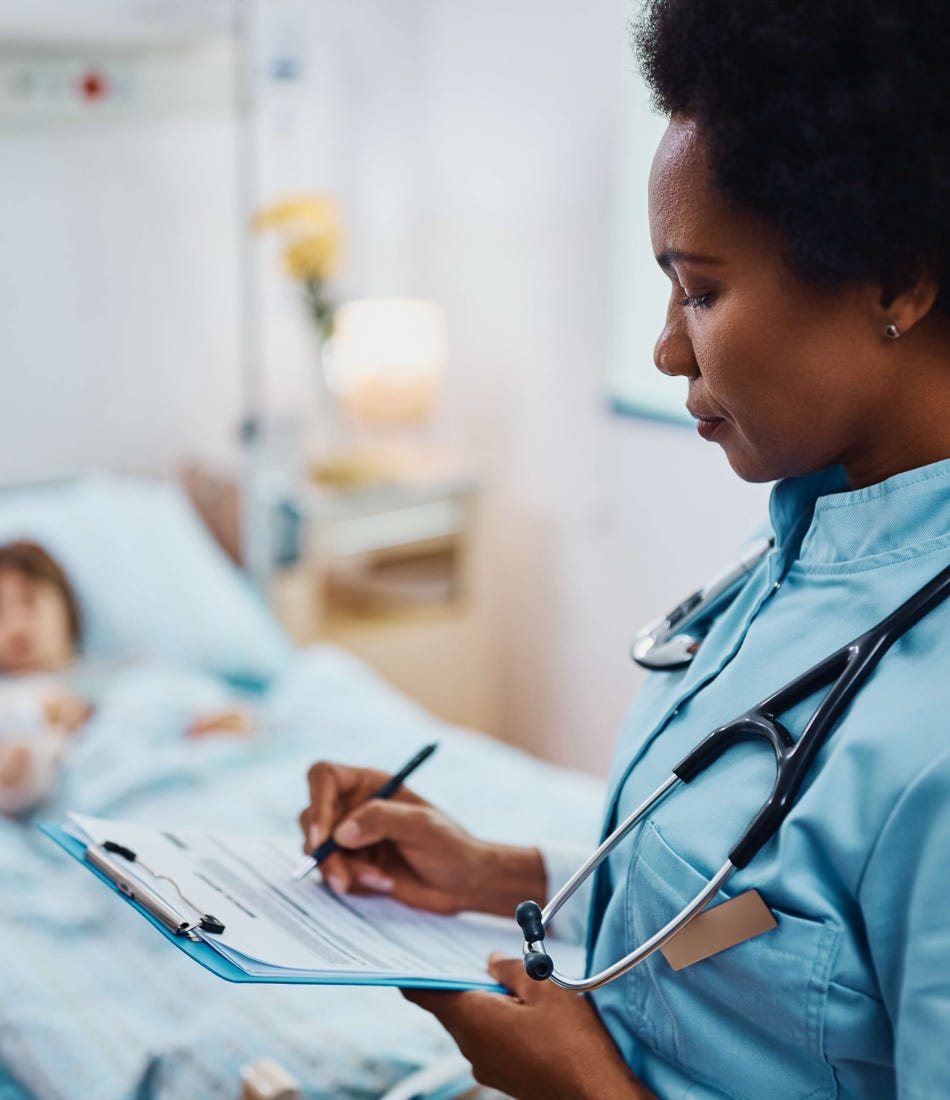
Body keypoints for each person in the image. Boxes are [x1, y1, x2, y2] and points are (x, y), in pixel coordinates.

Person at [297, 3, 950, 1097]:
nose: (659, 345)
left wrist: (590, 1092)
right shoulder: (801, 546)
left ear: (894, 279)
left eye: (699, 289)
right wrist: (495, 873)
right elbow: (760, 926)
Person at [0, 540, 254, 816]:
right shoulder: (13, 701)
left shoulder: (129, 672)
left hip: (202, 784)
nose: (17, 627)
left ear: (65, 605)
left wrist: (208, 725)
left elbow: (226, 713)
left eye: (29, 601)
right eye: (0, 614)